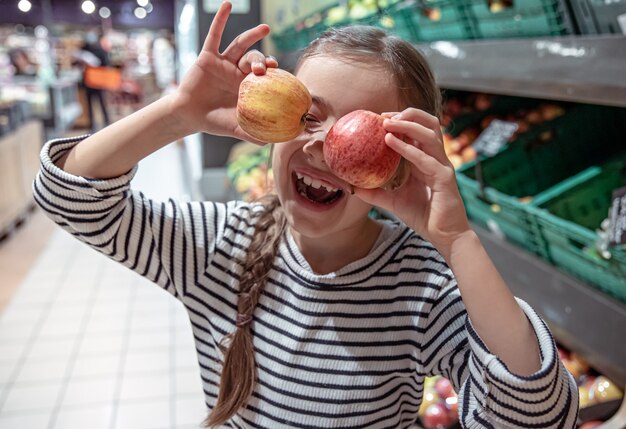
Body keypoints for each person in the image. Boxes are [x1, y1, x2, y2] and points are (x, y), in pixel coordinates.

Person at [34, 2, 578, 428]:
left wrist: (457, 241)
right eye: (307, 116)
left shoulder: (423, 289)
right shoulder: (220, 245)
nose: (324, 145)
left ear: (402, 163)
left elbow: (533, 416)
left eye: (361, 131)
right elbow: (70, 197)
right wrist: (178, 114)